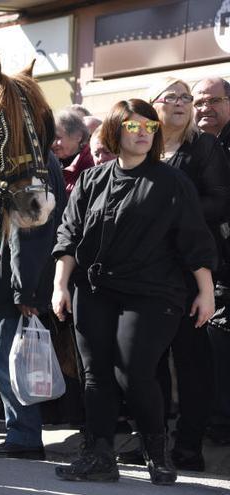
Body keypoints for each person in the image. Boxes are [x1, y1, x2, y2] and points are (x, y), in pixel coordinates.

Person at [52, 99, 216, 485]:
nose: (143, 133)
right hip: (94, 290)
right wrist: (60, 286)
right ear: (114, 130)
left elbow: (195, 240)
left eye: (149, 127)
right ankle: (100, 455)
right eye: (132, 126)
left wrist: (205, 292)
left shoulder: (172, 182)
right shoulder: (93, 180)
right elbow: (69, 236)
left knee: (134, 373)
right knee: (95, 376)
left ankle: (157, 455)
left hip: (153, 293)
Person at [145, 78, 230, 471]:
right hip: (146, 274)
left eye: (186, 98)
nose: (182, 104)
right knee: (151, 362)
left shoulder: (205, 147)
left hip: (192, 271)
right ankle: (155, 443)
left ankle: (188, 448)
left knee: (192, 363)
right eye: (174, 97)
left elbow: (221, 201)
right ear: (154, 106)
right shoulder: (144, 146)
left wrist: (176, 216)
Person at [0, 152, 66, 459]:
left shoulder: (31, 161)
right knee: (7, 358)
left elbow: (28, 230)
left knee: (11, 361)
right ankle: (21, 433)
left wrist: (25, 291)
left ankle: (24, 436)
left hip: (12, 284)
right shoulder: (29, 157)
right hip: (7, 280)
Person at [192, 77, 230, 446]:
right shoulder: (195, 145)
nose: (205, 108)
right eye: (199, 102)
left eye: (213, 100)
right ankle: (216, 420)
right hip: (210, 264)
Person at [53, 109, 92, 194]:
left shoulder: (92, 165)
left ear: (78, 136)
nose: (53, 144)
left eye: (58, 137)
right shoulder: (50, 164)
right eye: (51, 139)